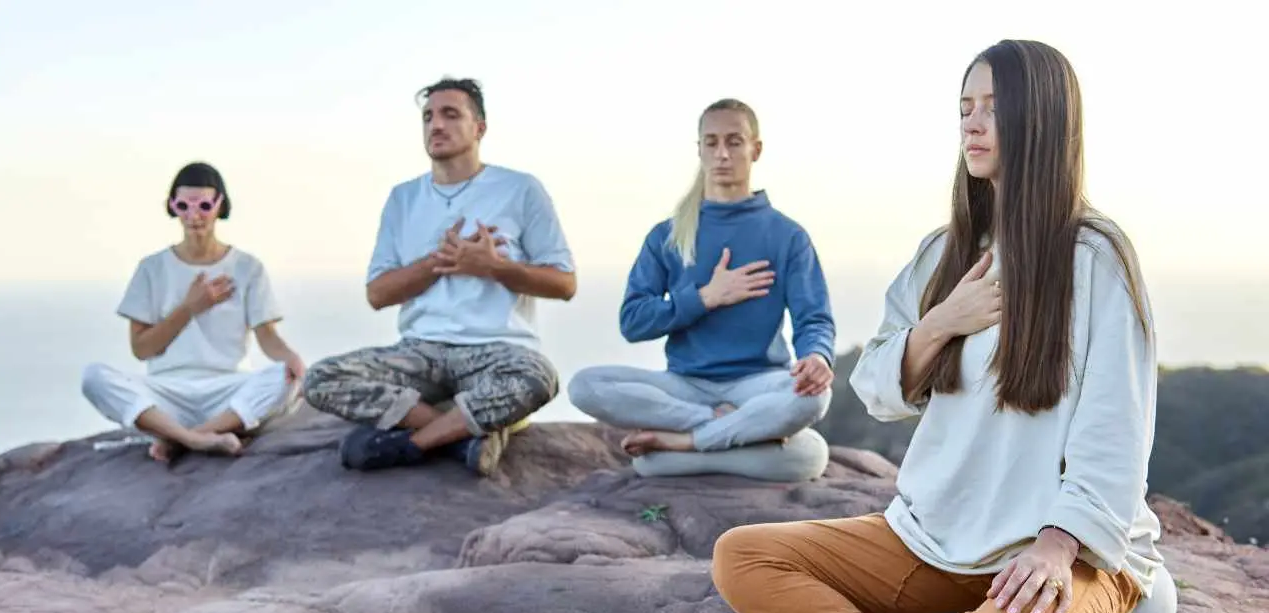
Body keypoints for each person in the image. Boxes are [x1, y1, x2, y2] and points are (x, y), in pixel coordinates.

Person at [695, 40, 1177, 613]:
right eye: (964, 109)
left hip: (1070, 549)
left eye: (993, 108)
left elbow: (1116, 429)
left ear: (1043, 119)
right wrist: (939, 324)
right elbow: (878, 391)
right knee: (744, 557)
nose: (971, 126)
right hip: (937, 537)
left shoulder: (1094, 255)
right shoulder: (942, 254)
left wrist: (1055, 547)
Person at [302, 77, 575, 476]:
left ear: (479, 128)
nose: (436, 125)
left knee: (538, 377)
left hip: (496, 350)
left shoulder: (520, 190)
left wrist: (493, 267)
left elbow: (564, 284)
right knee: (320, 379)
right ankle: (461, 438)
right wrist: (438, 261)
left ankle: (412, 443)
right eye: (428, 117)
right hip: (420, 352)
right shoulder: (403, 198)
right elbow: (377, 294)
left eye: (451, 114)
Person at [566, 98, 835, 483]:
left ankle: (681, 446)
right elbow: (633, 322)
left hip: (758, 384)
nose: (722, 154)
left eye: (734, 141)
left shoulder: (787, 236)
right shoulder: (667, 236)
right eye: (711, 143)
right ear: (699, 150)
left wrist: (817, 358)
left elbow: (814, 319)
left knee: (815, 398)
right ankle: (720, 431)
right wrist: (706, 297)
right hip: (684, 388)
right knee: (585, 386)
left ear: (755, 149)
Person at [81, 162, 304, 464]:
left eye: (203, 205)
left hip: (227, 390)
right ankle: (194, 439)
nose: (193, 215)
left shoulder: (248, 268)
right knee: (94, 377)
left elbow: (267, 337)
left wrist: (291, 359)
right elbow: (142, 348)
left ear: (219, 205)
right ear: (172, 206)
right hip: (168, 393)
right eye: (183, 205)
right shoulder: (152, 268)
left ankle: (185, 437)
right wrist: (189, 307)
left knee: (285, 378)